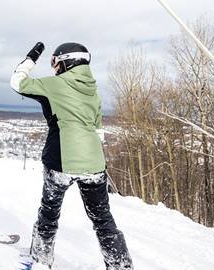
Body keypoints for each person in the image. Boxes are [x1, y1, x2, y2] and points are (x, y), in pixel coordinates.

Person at [10, 42, 133, 269]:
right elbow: (98, 130)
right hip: (95, 164)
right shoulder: (92, 90)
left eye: (54, 62)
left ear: (66, 61)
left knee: (49, 214)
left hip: (61, 161)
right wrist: (94, 158)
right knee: (103, 219)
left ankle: (40, 260)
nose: (54, 68)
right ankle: (120, 265)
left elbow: (16, 82)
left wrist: (32, 56)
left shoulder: (55, 84)